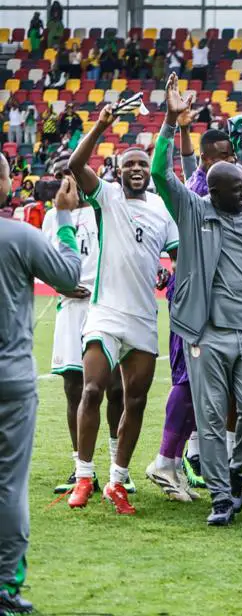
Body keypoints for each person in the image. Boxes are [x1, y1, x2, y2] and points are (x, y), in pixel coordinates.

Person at [151, 73, 242, 525]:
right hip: (208, 332)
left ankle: (235, 472)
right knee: (212, 417)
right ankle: (220, 497)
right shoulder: (193, 210)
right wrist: (170, 122)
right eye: (235, 190)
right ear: (213, 193)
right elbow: (160, 174)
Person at [66, 102, 180, 514]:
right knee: (92, 389)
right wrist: (100, 125)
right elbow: (76, 165)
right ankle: (83, 476)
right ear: (118, 170)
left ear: (149, 171)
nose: (136, 168)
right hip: (106, 312)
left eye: (142, 164)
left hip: (143, 318)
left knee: (135, 402)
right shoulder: (108, 197)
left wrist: (170, 275)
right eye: (129, 163)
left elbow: (178, 256)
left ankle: (117, 481)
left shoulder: (163, 210)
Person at [0, 162, 82, 615]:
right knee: (9, 485)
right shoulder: (20, 236)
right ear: (5, 184)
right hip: (10, 378)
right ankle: (4, 587)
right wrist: (64, 217)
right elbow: (69, 276)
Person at [41, 160, 126, 496]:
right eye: (61, 176)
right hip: (71, 309)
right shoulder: (53, 217)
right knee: (74, 388)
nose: (67, 182)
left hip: (103, 306)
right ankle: (81, 469)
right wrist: (58, 283)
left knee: (115, 388)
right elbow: (44, 261)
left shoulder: (103, 208)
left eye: (72, 175)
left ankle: (118, 468)